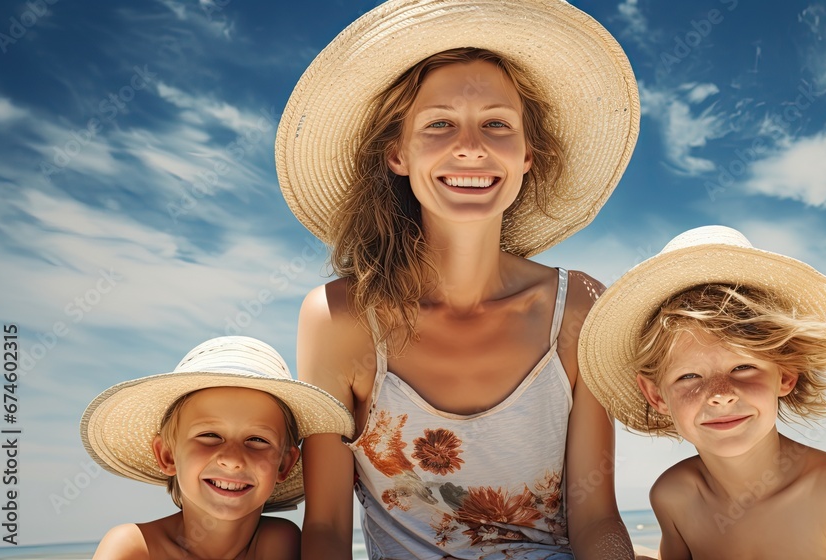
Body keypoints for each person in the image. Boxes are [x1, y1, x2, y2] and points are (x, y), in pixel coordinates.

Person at [273, 0, 641, 557]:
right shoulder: (339, 318)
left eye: (497, 124)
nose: (470, 146)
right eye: (439, 124)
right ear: (396, 153)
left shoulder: (579, 307)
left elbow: (597, 521)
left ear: (526, 156)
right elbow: (325, 529)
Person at [578, 225, 826, 559]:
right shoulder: (674, 497)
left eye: (742, 368)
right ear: (656, 395)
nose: (720, 394)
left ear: (785, 375)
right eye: (688, 376)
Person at [81, 336, 354, 560]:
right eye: (210, 435)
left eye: (257, 440)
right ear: (167, 455)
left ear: (284, 464)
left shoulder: (278, 541)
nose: (233, 459)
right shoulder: (132, 547)